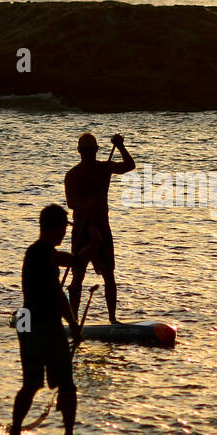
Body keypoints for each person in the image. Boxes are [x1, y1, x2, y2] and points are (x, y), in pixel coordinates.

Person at [10, 204, 85, 435]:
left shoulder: (46, 254)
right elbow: (72, 261)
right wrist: (93, 244)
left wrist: (72, 322)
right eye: (64, 227)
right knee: (33, 383)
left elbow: (57, 293)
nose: (65, 233)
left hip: (33, 320)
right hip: (33, 321)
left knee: (66, 385)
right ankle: (14, 432)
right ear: (55, 227)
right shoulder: (39, 252)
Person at [64, 132, 135, 324]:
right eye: (85, 150)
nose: (88, 153)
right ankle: (74, 321)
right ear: (79, 151)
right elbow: (71, 203)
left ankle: (112, 318)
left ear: (96, 150)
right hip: (82, 231)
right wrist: (88, 203)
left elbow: (130, 166)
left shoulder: (104, 168)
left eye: (91, 150)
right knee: (77, 277)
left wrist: (120, 146)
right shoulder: (72, 175)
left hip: (103, 229)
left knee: (109, 275)